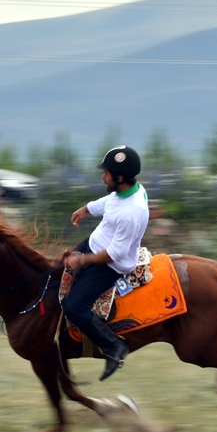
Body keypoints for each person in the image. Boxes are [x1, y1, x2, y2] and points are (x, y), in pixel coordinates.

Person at [62, 145, 149, 381]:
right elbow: (109, 202)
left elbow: (114, 254)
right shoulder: (125, 191)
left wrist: (83, 261)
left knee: (74, 307)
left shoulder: (133, 211)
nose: (103, 177)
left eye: (106, 173)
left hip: (109, 266)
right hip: (94, 243)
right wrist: (85, 209)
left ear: (119, 177)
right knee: (57, 268)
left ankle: (113, 347)